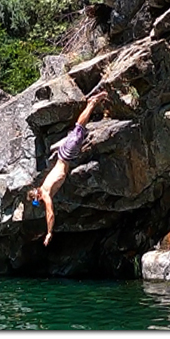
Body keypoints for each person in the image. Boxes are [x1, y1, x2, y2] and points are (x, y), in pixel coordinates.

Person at [26, 90, 108, 246]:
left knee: (79, 128)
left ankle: (93, 102)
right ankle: (94, 105)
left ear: (37, 196)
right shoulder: (44, 188)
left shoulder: (45, 193)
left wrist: (49, 233)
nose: (40, 203)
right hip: (64, 155)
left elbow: (50, 214)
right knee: (79, 131)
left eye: (37, 202)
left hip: (66, 155)